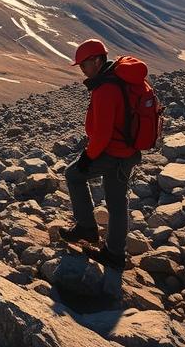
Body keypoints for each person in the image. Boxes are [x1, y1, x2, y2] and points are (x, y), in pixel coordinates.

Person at [56, 39, 144, 270]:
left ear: (97, 61)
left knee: (74, 175)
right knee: (116, 201)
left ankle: (87, 228)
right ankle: (114, 252)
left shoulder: (106, 88)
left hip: (114, 153)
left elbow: (103, 134)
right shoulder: (117, 79)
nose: (82, 70)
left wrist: (87, 157)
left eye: (84, 65)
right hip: (127, 152)